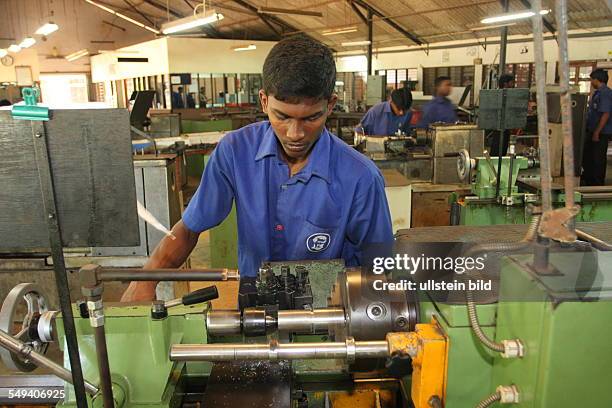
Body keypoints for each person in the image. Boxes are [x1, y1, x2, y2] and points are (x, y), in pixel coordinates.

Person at [121, 35, 393, 301]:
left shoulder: (360, 178)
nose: (295, 133)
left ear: (330, 105)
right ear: (264, 101)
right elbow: (190, 228)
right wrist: (146, 279)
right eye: (282, 116)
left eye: (311, 117)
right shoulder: (235, 153)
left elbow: (379, 268)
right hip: (255, 307)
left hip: (331, 311)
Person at [582, 68, 611, 186]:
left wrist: (596, 132)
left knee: (597, 159)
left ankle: (597, 184)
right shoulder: (598, 93)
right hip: (593, 130)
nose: (591, 82)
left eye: (592, 80)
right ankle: (588, 180)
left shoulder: (605, 94)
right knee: (588, 156)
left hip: (601, 133)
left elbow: (606, 114)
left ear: (597, 80)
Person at [489, 73, 516, 156]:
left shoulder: (509, 95)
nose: (513, 85)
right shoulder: (495, 95)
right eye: (511, 83)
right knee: (496, 149)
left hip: (506, 128)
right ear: (505, 84)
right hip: (498, 128)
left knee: (503, 150)